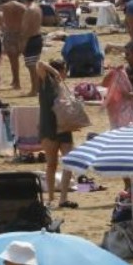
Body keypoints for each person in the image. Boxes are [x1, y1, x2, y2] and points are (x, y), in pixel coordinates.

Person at [35, 60, 76, 209]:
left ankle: (63, 198)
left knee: (69, 162)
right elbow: (40, 64)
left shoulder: (62, 87)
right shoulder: (47, 81)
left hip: (64, 128)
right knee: (52, 164)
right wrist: (54, 71)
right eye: (64, 70)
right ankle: (51, 197)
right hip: (49, 127)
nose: (65, 74)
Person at [0, 0, 26, 91]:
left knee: (13, 60)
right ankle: (16, 81)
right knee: (26, 61)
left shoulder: (4, 7)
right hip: (20, 34)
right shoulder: (23, 7)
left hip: (9, 34)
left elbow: (1, 22)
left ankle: (16, 81)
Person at [21, 0, 44, 96]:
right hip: (38, 37)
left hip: (31, 39)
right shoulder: (38, 7)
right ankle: (37, 88)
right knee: (34, 65)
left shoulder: (28, 10)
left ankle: (34, 90)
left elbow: (25, 29)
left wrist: (23, 43)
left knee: (31, 67)